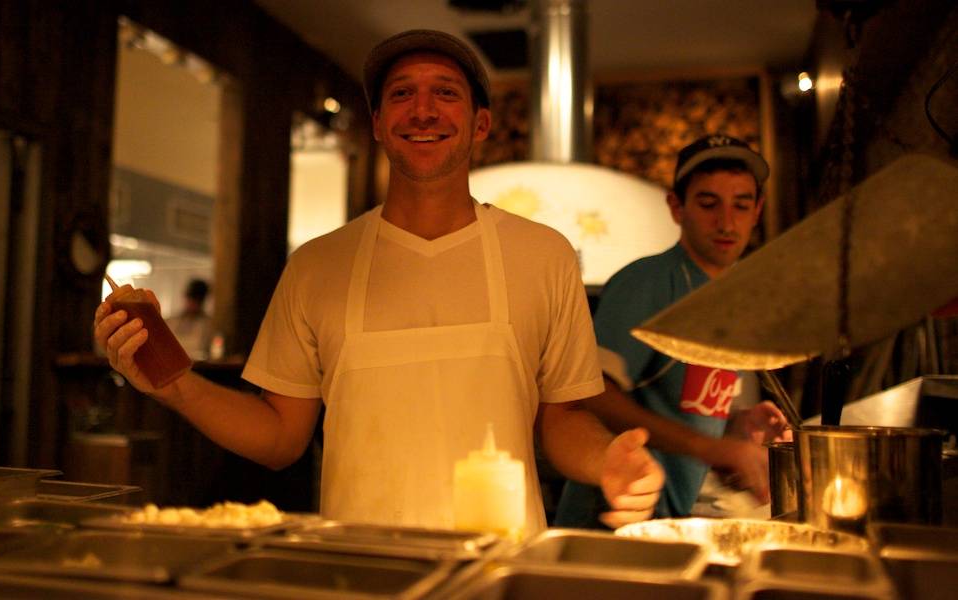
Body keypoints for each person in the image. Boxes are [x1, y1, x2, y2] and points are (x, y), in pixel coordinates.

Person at [95, 29, 662, 535]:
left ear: (480, 123)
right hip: (359, 569)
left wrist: (607, 460)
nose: (423, 110)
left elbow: (559, 418)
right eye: (401, 93)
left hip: (502, 572)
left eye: (445, 92)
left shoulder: (544, 255)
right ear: (378, 125)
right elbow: (279, 438)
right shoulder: (316, 265)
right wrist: (177, 388)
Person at [555, 134, 790, 527]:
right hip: (609, 521)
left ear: (758, 210)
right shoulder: (647, 283)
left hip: (667, 519)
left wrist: (738, 424)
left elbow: (684, 406)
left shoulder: (730, 296)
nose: (727, 222)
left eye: (741, 205)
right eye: (708, 203)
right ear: (676, 207)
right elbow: (593, 393)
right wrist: (710, 448)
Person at [167, 278, 214, 360]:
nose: (191, 303)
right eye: (190, 299)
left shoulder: (208, 325)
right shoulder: (172, 321)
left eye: (196, 300)